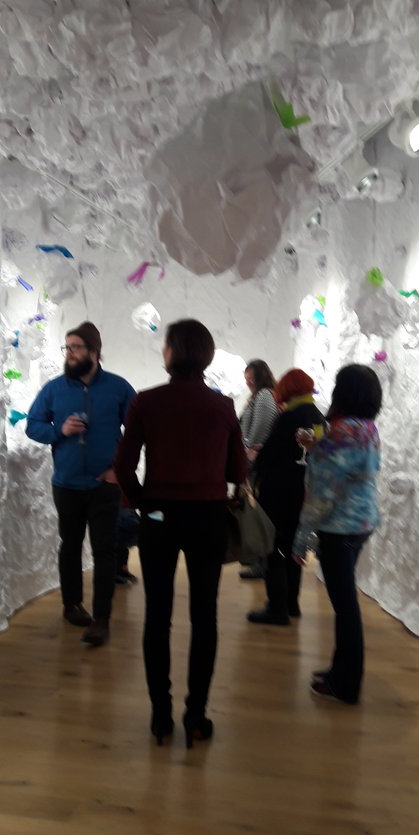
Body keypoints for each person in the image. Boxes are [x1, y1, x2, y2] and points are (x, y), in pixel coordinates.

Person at [114, 319, 248, 748]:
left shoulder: (146, 402)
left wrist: (140, 501)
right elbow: (237, 471)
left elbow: (122, 465)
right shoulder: (223, 406)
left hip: (158, 517)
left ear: (170, 352)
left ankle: (159, 717)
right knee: (204, 617)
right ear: (206, 355)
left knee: (157, 616)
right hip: (208, 516)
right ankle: (195, 716)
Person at [26, 322, 135, 647]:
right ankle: (71, 606)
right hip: (67, 484)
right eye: (67, 348)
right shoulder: (54, 388)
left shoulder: (118, 388)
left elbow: (138, 432)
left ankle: (101, 618)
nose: (69, 354)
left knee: (105, 551)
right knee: (70, 545)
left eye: (75, 348)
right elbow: (32, 425)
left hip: (104, 485)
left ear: (93, 352)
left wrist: (119, 468)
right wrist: (59, 430)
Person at [292, 364, 382, 705]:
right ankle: (338, 671)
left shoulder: (340, 433)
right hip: (361, 523)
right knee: (345, 604)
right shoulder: (366, 428)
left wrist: (301, 540)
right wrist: (318, 445)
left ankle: (345, 684)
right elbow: (350, 468)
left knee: (345, 607)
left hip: (338, 527)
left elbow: (321, 496)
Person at [247, 369, 325, 626]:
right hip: (304, 494)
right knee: (293, 549)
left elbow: (269, 456)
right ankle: (291, 603)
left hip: (279, 493)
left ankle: (277, 607)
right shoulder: (319, 418)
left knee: (275, 549)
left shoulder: (289, 417)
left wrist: (255, 458)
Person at [238, 359, 279, 579]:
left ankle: (262, 563)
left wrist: (245, 455)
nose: (248, 382)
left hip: (258, 463)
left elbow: (259, 432)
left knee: (259, 513)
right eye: (246, 379)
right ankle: (260, 562)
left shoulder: (264, 396)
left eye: (251, 378)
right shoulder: (260, 396)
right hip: (256, 463)